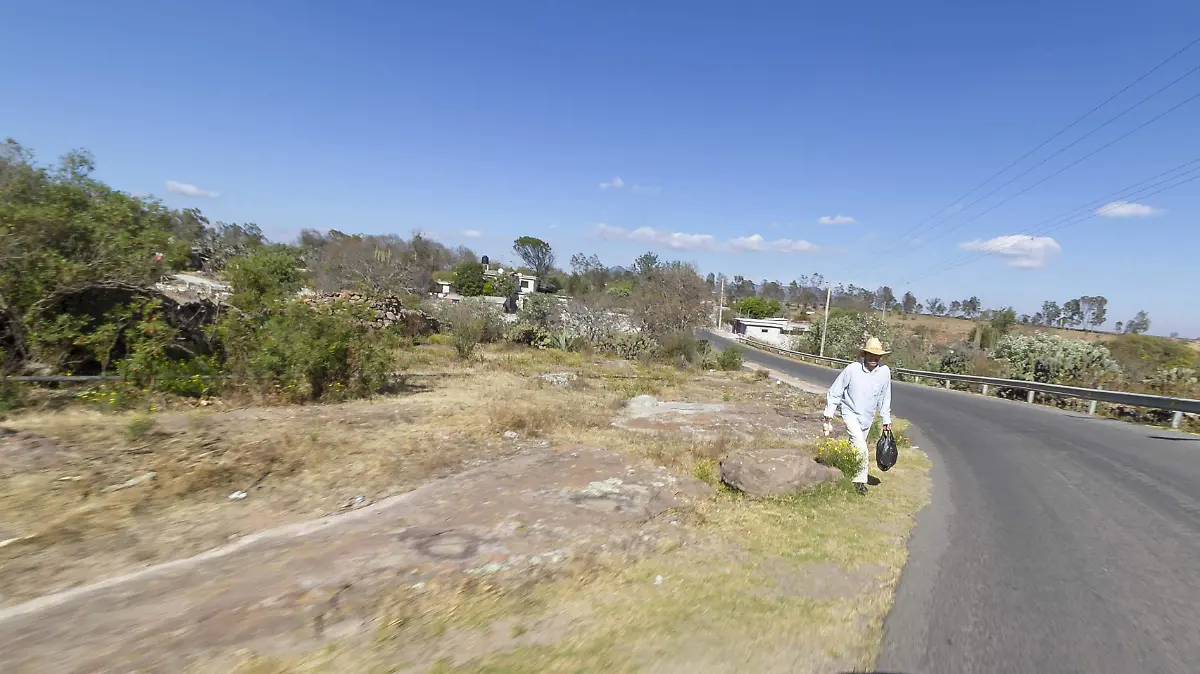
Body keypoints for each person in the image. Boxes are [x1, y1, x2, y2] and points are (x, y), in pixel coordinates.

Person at [823, 337, 892, 495]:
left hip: (867, 417)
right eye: (871, 355)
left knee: (855, 447)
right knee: (861, 448)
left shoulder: (884, 372)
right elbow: (835, 391)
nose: (874, 358)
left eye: (877, 356)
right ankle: (859, 481)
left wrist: (886, 420)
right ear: (865, 355)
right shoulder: (852, 369)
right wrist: (828, 415)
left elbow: (885, 397)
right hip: (850, 413)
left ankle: (845, 469)